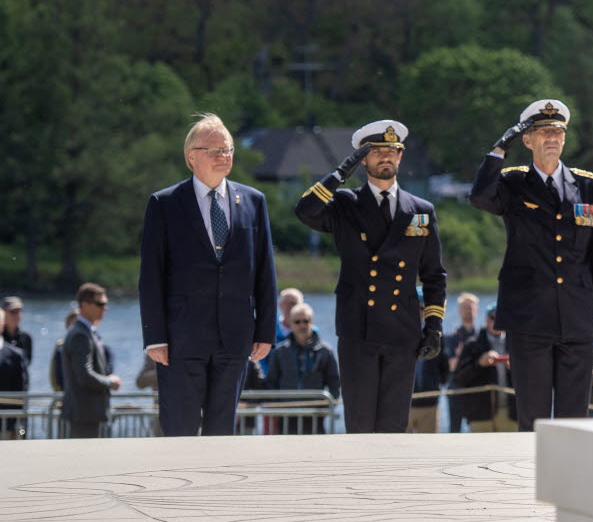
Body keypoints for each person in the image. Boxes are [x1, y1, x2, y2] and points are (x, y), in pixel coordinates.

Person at [469, 99, 593, 432]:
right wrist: (497, 150)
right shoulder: (512, 183)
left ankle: (572, 484)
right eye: (543, 131)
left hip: (577, 317)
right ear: (527, 140)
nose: (552, 137)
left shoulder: (589, 186)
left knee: (574, 422)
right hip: (528, 319)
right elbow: (479, 198)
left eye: (557, 131)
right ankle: (528, 483)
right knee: (532, 419)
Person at [295, 119, 448, 433]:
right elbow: (305, 211)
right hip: (358, 331)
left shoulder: (420, 210)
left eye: (392, 150)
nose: (386, 157)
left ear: (401, 157)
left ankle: (390, 484)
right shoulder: (345, 204)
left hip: (402, 332)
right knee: (361, 424)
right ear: (362, 159)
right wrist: (339, 174)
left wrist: (433, 327)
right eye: (377, 151)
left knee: (394, 425)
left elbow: (434, 275)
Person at [140, 112, 278, 436]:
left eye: (228, 149)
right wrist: (154, 337)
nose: (223, 156)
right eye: (214, 150)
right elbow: (151, 276)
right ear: (192, 157)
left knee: (222, 431)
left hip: (234, 337)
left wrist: (266, 331)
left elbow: (264, 271)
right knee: (180, 429)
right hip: (180, 339)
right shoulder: (165, 203)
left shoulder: (253, 202)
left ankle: (216, 488)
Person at [265, 302, 341, 433]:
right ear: (291, 323)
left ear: (312, 322)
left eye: (306, 321)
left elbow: (334, 382)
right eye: (297, 321)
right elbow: (272, 381)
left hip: (315, 416)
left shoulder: (325, 351)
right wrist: (276, 407)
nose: (302, 325)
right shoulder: (280, 351)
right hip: (286, 416)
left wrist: (327, 407)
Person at [61, 283, 121, 438]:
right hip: (85, 414)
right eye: (100, 304)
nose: (105, 308)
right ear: (85, 305)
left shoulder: (86, 332)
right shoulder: (81, 335)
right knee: (84, 460)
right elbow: (84, 375)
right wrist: (110, 382)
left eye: (106, 304)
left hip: (87, 414)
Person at [452, 304, 517, 432]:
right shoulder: (472, 344)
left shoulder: (515, 344)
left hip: (511, 413)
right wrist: (479, 364)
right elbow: (458, 379)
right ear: (486, 320)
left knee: (510, 452)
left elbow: (530, 380)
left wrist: (515, 369)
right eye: (493, 317)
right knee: (479, 452)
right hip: (480, 414)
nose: (497, 321)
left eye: (501, 318)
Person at [410, 300, 451, 433]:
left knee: (427, 448)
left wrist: (437, 384)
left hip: (429, 402)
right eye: (417, 308)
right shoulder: (401, 332)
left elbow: (444, 365)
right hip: (403, 403)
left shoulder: (436, 334)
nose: (421, 312)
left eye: (424, 308)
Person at [445, 292, 481, 432]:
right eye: (465, 307)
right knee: (454, 430)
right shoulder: (453, 337)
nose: (468, 311)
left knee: (478, 429)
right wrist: (463, 353)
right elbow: (452, 366)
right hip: (456, 390)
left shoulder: (480, 336)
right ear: (459, 311)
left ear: (476, 311)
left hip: (477, 389)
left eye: (471, 308)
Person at [0, 305, 27, 439]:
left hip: (6, 424)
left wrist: (17, 424)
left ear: (2, 325)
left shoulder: (15, 355)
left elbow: (20, 391)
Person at [2, 296, 32, 366]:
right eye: (13, 312)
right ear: (3, 313)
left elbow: (26, 363)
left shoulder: (26, 337)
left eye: (19, 311)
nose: (17, 315)